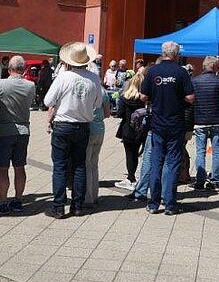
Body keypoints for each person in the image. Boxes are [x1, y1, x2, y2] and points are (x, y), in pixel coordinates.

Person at [44, 42, 102, 218]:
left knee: (60, 166)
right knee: (79, 166)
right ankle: (77, 206)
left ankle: (59, 206)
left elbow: (48, 101)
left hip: (63, 124)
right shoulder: (94, 78)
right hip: (83, 125)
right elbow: (97, 104)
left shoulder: (63, 77)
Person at [140, 41, 194, 215]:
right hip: (176, 123)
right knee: (172, 162)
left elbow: (142, 96)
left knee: (156, 161)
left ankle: (153, 203)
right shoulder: (181, 72)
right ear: (177, 54)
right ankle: (170, 204)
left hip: (157, 123)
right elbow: (191, 98)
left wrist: (157, 96)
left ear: (163, 53)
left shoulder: (153, 71)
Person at [0, 55, 34, 215]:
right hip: (23, 129)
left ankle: (2, 201)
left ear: (9, 69)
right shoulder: (31, 86)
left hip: (4, 130)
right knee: (19, 166)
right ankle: (18, 200)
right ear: (24, 69)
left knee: (2, 168)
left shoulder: (0, 84)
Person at [191, 56, 219, 190]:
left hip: (201, 119)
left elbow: (192, 99)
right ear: (213, 66)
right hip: (216, 120)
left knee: (200, 152)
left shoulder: (195, 81)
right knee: (216, 151)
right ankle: (215, 180)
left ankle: (199, 181)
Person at [116, 67, 147, 190]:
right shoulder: (144, 100)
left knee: (130, 154)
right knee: (137, 153)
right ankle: (136, 177)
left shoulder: (124, 98)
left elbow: (119, 114)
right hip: (141, 131)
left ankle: (131, 177)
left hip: (128, 129)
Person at [86, 84, 111, 205]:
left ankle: (88, 197)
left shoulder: (86, 89)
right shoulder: (103, 91)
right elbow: (107, 113)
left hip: (88, 129)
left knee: (86, 165)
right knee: (94, 164)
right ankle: (94, 195)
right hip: (100, 129)